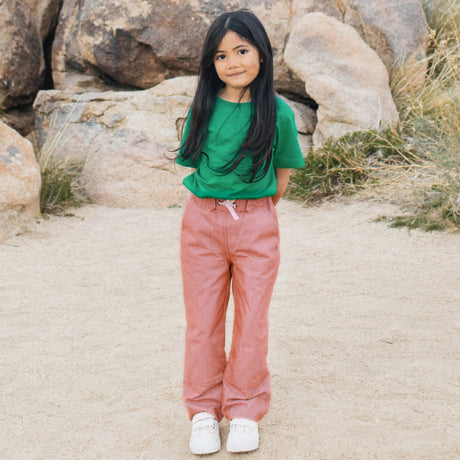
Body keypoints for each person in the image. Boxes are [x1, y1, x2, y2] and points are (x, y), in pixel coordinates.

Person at [176, 9, 305, 455]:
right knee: (203, 322)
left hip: (256, 225)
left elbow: (283, 174)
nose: (232, 62)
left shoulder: (279, 113)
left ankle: (245, 410)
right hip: (202, 225)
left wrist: (255, 213)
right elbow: (194, 163)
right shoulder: (203, 107)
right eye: (220, 55)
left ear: (262, 54)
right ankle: (204, 411)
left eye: (242, 50)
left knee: (252, 321)